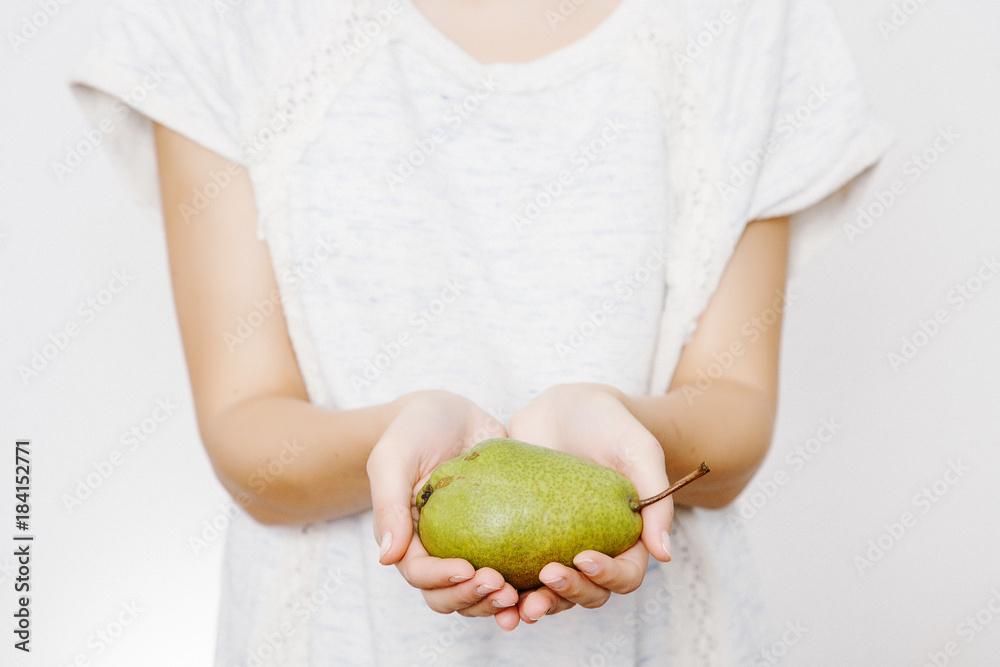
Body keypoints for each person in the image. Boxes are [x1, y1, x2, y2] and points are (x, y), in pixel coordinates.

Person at [70, 0, 892, 663]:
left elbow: (735, 407)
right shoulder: (220, 19)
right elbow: (246, 428)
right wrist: (395, 448)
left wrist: (629, 429)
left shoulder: (752, 22)